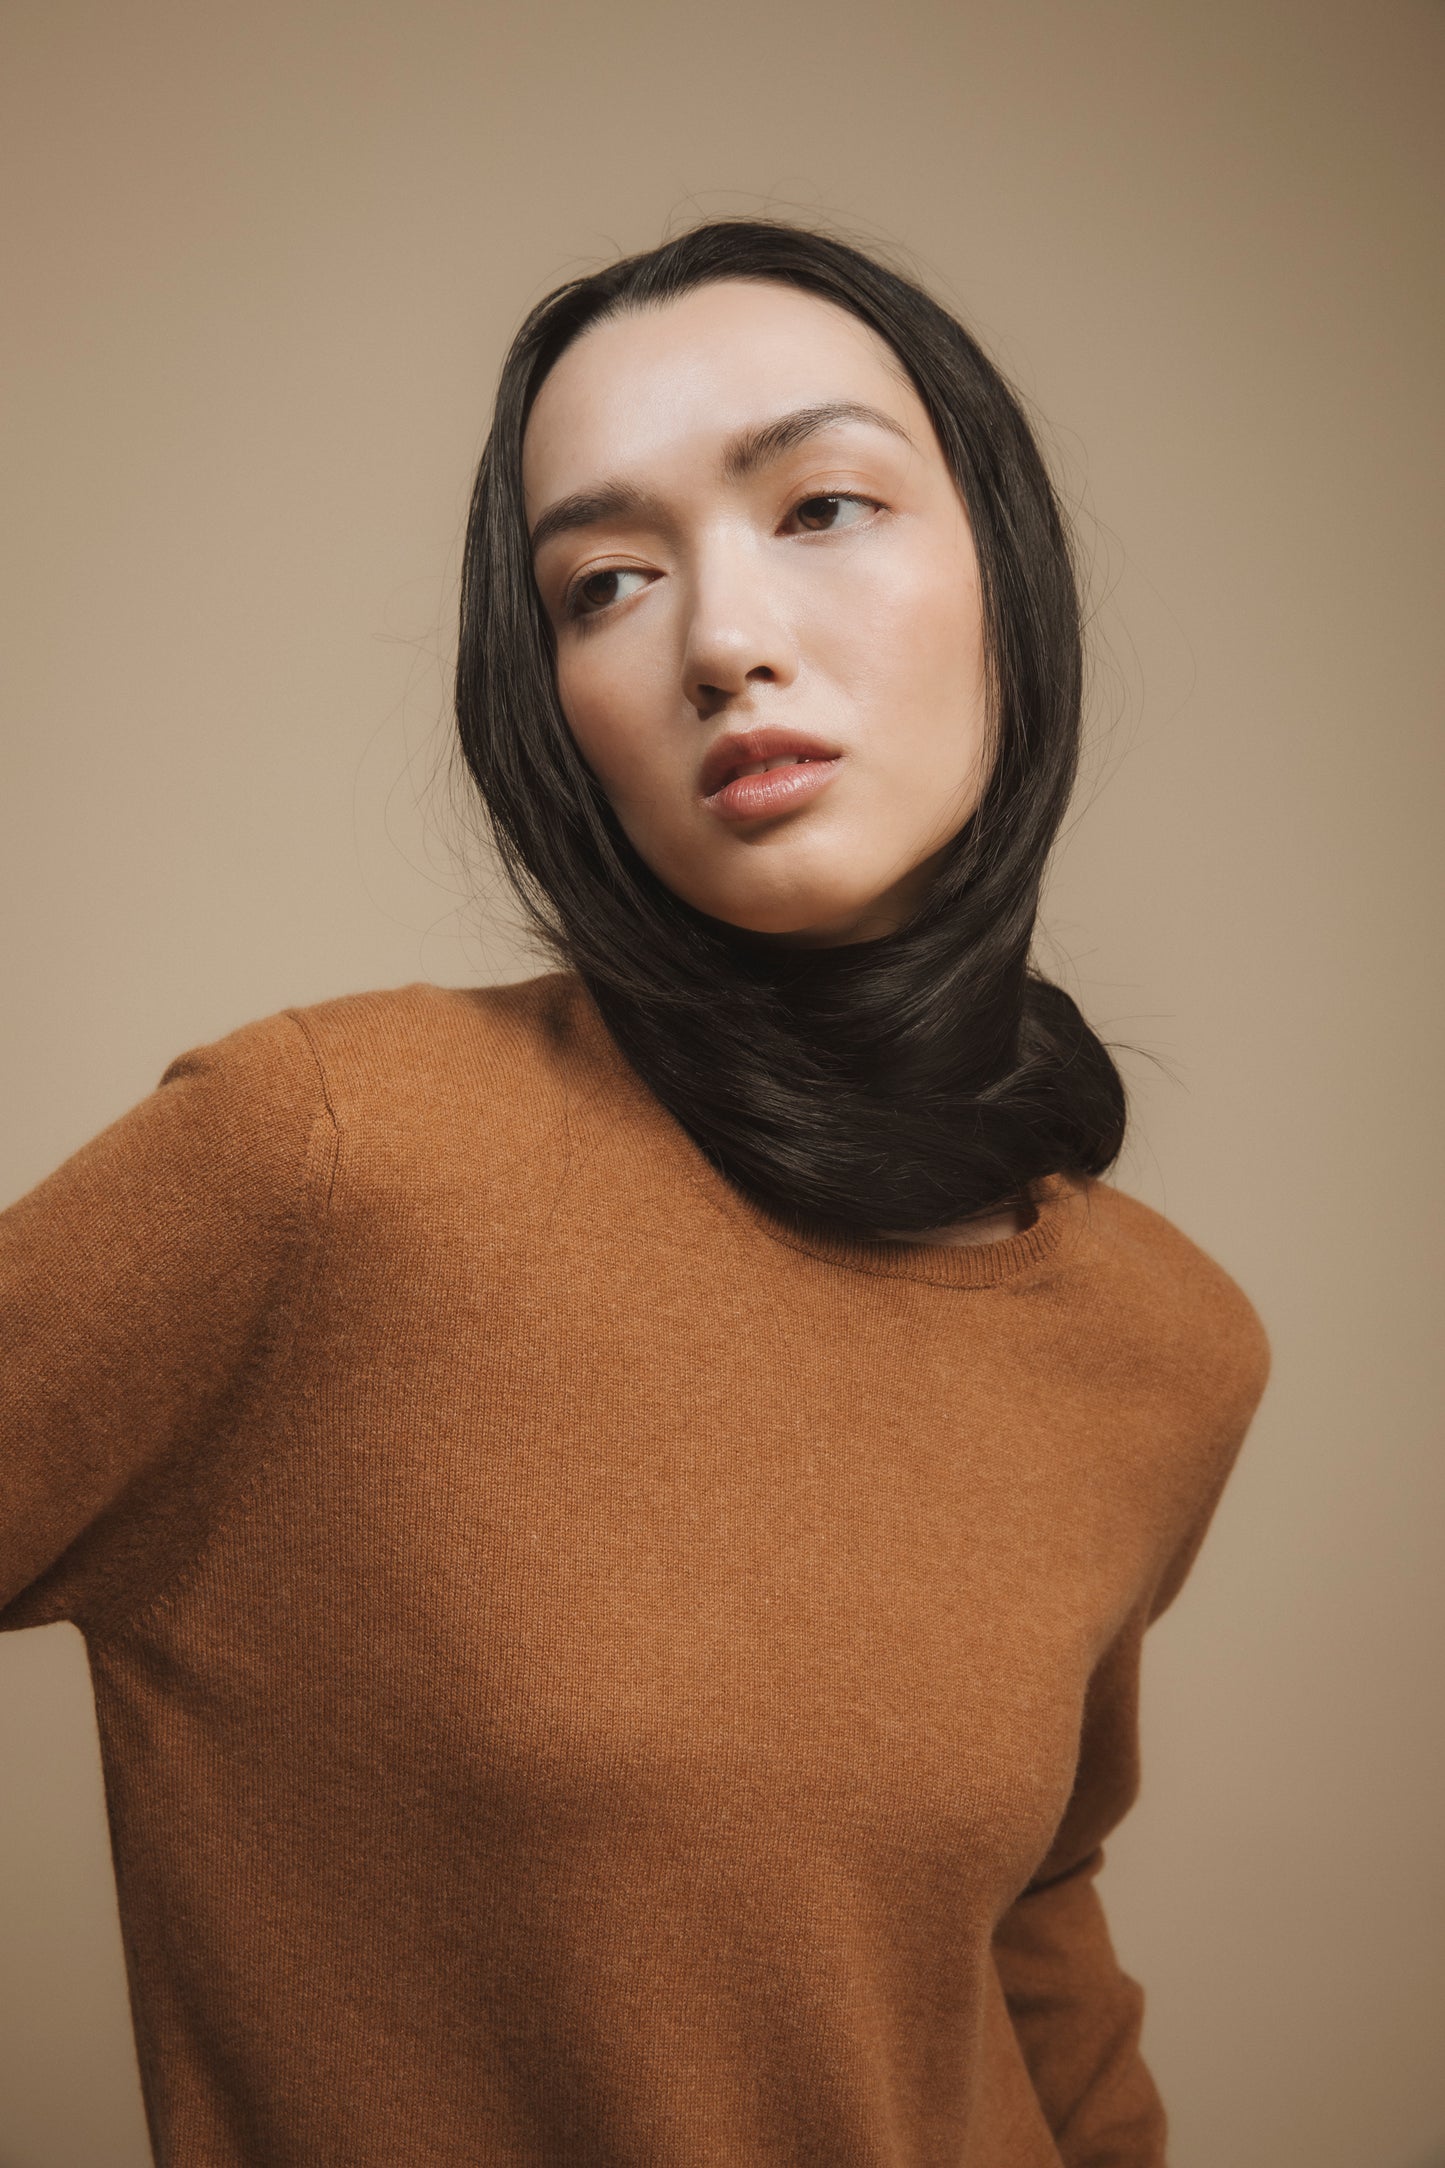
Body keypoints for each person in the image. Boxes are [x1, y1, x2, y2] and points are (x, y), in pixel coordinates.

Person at [0, 218, 1270, 2165]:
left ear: (1006, 575)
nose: (722, 638)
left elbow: (1025, 1925)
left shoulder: (1166, 1345)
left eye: (821, 506)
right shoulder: (331, 1159)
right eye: (604, 582)